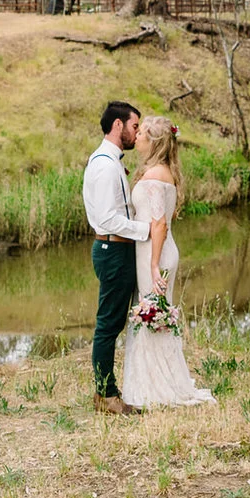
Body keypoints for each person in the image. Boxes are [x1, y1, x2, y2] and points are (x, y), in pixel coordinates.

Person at [122, 116, 215, 408]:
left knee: (152, 317)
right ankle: (158, 381)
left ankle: (156, 388)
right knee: (156, 316)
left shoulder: (154, 177)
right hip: (160, 251)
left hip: (155, 253)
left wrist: (152, 264)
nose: (136, 136)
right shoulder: (163, 172)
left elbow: (159, 224)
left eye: (142, 134)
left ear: (153, 141)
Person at [83, 100, 147, 415]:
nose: (137, 133)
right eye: (135, 126)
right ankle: (106, 395)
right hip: (113, 249)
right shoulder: (106, 165)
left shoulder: (108, 161)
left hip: (116, 248)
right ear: (118, 125)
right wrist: (145, 229)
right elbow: (108, 219)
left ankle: (106, 393)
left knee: (113, 323)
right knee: (108, 326)